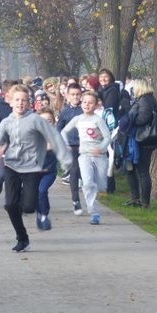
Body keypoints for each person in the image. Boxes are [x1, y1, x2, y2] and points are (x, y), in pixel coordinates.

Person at [0, 84, 72, 252]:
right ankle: (22, 238)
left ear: (30, 103)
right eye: (17, 100)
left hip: (32, 167)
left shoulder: (36, 120)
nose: (20, 103)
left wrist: (65, 159)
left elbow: (54, 137)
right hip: (11, 165)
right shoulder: (6, 122)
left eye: (24, 100)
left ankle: (20, 207)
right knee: (10, 205)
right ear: (10, 102)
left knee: (28, 207)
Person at [61, 90, 111, 225]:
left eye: (90, 103)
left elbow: (107, 137)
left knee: (100, 185)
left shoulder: (98, 120)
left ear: (96, 105)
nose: (87, 105)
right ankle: (94, 212)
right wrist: (65, 145)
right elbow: (64, 131)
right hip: (84, 156)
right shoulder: (78, 119)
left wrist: (100, 148)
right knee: (88, 183)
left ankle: (97, 194)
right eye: (84, 102)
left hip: (99, 156)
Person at [120, 78, 157, 208]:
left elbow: (143, 119)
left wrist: (130, 119)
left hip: (143, 140)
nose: (132, 90)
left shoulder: (145, 100)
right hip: (137, 139)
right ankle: (136, 198)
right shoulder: (144, 99)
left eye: (134, 88)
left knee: (142, 171)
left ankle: (144, 202)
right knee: (131, 170)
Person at [57, 83, 84, 214]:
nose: (75, 97)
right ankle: (76, 200)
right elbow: (59, 129)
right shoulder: (65, 111)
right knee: (74, 170)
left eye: (78, 94)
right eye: (72, 94)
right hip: (71, 146)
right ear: (67, 96)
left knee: (83, 171)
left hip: (85, 145)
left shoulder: (85, 109)